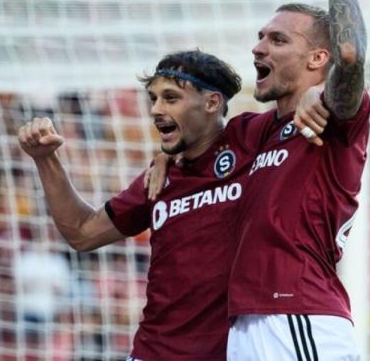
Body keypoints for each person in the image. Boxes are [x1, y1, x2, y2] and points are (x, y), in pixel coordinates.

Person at [18, 50, 272, 360]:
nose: (156, 109)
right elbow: (82, 233)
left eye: (171, 98)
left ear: (212, 102)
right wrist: (46, 159)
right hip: (153, 351)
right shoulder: (159, 179)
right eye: (153, 98)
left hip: (233, 352)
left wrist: (313, 95)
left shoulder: (252, 141)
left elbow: (304, 114)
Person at [225, 0, 369, 358]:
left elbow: (350, 55)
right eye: (261, 37)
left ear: (317, 58)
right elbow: (192, 142)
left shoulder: (335, 117)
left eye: (277, 40)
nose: (258, 47)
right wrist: (165, 159)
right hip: (244, 321)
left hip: (298, 315)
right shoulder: (254, 131)